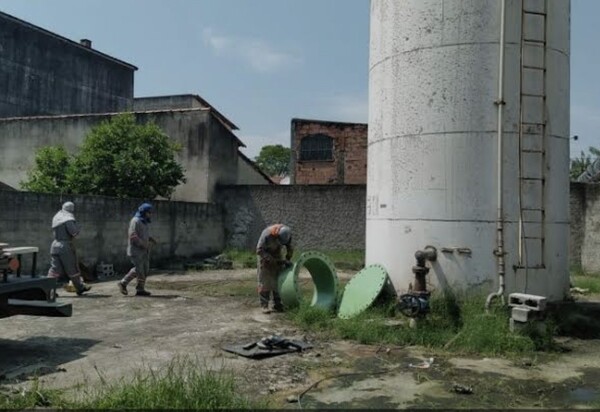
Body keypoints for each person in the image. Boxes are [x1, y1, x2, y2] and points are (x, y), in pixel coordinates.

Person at [46, 202, 91, 296]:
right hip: (65, 246)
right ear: (71, 209)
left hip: (54, 245)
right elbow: (74, 232)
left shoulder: (57, 217)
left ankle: (48, 289)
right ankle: (79, 288)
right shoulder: (68, 219)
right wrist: (78, 227)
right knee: (72, 268)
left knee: (55, 269)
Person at [118, 203, 156, 296]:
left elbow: (142, 234)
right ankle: (124, 283)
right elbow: (133, 235)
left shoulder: (145, 222)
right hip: (136, 250)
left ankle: (140, 289)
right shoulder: (135, 221)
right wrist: (143, 244)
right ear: (144, 212)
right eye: (149, 212)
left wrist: (149, 238)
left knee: (144, 269)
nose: (151, 214)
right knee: (140, 270)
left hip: (144, 251)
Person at [256, 223, 293, 313]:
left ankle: (277, 304)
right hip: (265, 254)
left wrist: (287, 259)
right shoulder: (267, 234)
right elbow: (259, 250)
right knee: (266, 281)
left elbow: (289, 247)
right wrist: (271, 261)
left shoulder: (286, 234)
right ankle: (264, 305)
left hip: (277, 253)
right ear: (277, 235)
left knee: (278, 279)